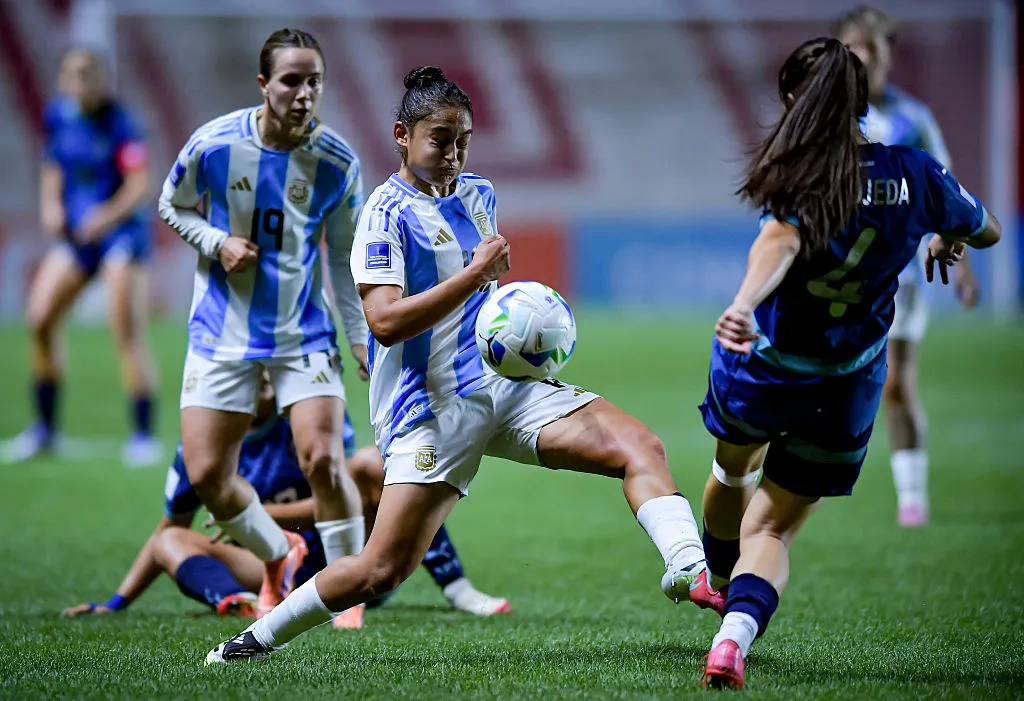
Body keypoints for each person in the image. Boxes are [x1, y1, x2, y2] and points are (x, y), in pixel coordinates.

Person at [204, 66, 717, 664]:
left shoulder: (478, 194)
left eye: (464, 140)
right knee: (380, 570)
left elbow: (481, 300)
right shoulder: (383, 215)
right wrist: (476, 274)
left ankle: (689, 567)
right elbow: (384, 322)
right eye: (440, 139)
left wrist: (514, 321)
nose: (453, 153)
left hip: (505, 385)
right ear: (402, 136)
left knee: (641, 447)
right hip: (430, 408)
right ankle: (253, 641)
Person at [694, 38, 1000, 689]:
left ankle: (719, 578)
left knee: (731, 469)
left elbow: (780, 239)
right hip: (846, 384)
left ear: (791, 100)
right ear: (864, 103)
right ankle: (732, 638)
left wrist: (743, 302)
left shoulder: (797, 173)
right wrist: (948, 234)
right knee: (772, 529)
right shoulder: (916, 171)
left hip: (766, 366)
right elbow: (988, 228)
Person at [156, 28, 368, 621]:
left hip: (302, 334)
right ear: (263, 84)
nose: (304, 93)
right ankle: (280, 553)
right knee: (208, 476)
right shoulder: (213, 145)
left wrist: (359, 335)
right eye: (291, 81)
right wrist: (216, 240)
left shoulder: (337, 162)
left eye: (314, 82)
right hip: (221, 331)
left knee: (323, 459)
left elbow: (345, 259)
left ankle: (345, 594)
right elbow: (171, 204)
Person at [61, 375, 509, 622]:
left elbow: (348, 500)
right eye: (249, 368)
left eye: (268, 367)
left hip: (345, 560)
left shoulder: (306, 424)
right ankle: (242, 604)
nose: (262, 376)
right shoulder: (200, 449)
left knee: (378, 468)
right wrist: (115, 603)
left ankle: (457, 588)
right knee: (169, 542)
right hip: (270, 566)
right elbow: (167, 528)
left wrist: (257, 515)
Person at [837, 6, 981, 527]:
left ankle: (912, 499)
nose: (863, 55)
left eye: (873, 46)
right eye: (854, 45)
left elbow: (948, 191)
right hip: (835, 276)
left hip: (900, 273)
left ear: (888, 55)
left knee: (896, 382)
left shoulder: (912, 119)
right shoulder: (827, 116)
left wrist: (961, 263)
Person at [6, 48, 159, 467]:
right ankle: (45, 431)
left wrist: (105, 217)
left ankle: (143, 435)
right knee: (40, 319)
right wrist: (51, 205)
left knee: (124, 328)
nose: (81, 82)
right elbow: (53, 165)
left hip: (121, 235)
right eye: (73, 74)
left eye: (89, 74)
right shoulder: (59, 116)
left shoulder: (123, 123)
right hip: (79, 237)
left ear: (104, 80)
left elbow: (139, 185)